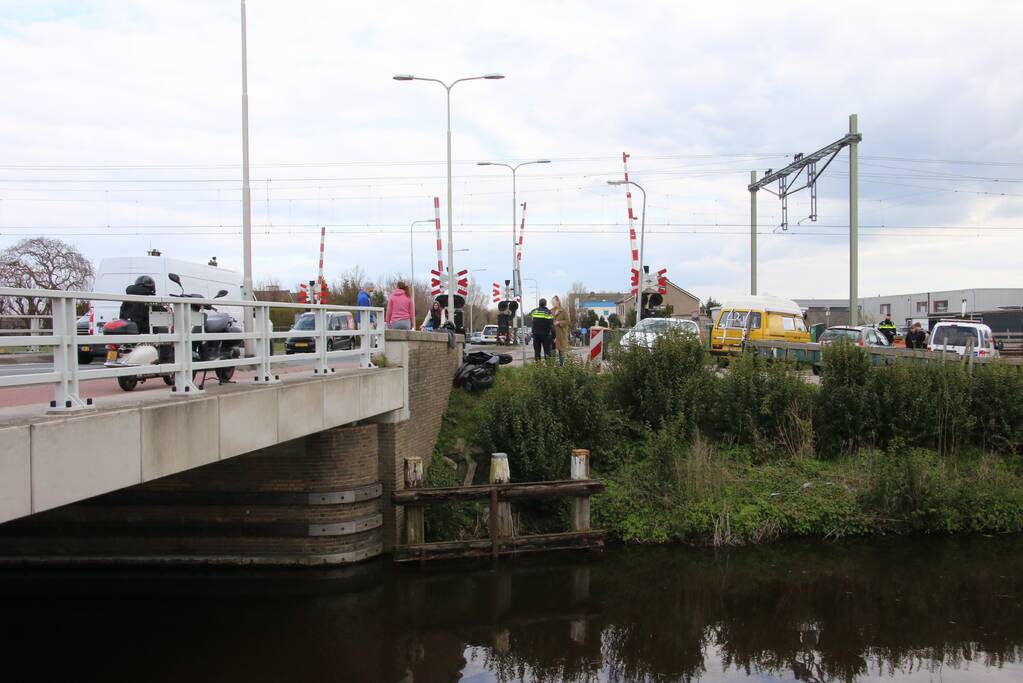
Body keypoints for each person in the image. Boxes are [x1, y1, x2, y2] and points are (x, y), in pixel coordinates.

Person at [551, 295, 569, 366]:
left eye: (553, 302)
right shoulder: (551, 311)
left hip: (560, 334)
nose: (552, 303)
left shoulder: (563, 311)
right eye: (552, 302)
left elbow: (567, 321)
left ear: (558, 301)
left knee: (561, 351)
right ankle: (552, 367)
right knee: (552, 351)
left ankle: (562, 367)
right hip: (552, 334)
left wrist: (559, 322)